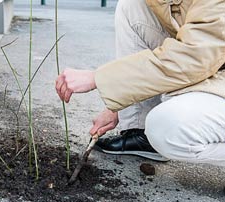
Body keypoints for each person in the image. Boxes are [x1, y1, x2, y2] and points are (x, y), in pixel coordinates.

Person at [55, 0, 225, 166]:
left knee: (165, 127)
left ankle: (158, 134)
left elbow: (194, 58)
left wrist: (98, 78)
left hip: (206, 62)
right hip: (214, 62)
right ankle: (141, 134)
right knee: (133, 6)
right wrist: (121, 103)